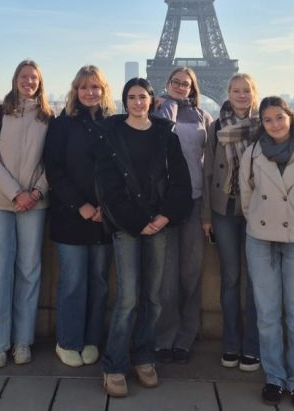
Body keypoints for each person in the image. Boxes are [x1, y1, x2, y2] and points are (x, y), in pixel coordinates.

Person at [96, 78, 192, 398]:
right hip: (127, 226)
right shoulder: (112, 133)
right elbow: (107, 187)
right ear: (125, 101)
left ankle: (144, 357)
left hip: (159, 224)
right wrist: (139, 222)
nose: (138, 102)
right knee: (127, 299)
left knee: (152, 297)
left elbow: (181, 181)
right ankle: (114, 364)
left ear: (152, 100)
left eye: (143, 97)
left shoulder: (166, 134)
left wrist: (162, 217)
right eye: (132, 97)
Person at [239, 96, 294, 409]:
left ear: (291, 118)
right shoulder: (253, 153)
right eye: (268, 120)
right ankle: (274, 377)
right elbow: (247, 195)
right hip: (262, 237)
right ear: (261, 123)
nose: (274, 124)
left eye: (279, 117)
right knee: (267, 314)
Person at [0, 59, 53, 368]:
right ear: (15, 79)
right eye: (24, 77)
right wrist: (16, 193)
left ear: (40, 82)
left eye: (34, 77)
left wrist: (35, 192)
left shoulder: (49, 118)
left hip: (34, 203)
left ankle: (22, 341)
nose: (29, 82)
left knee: (29, 271)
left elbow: (54, 162)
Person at [44, 65, 114, 368]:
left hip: (103, 217)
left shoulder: (113, 124)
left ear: (104, 91)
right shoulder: (61, 125)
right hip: (71, 215)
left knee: (98, 282)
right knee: (72, 282)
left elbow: (118, 171)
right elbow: (54, 170)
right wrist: (81, 206)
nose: (90, 92)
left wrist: (103, 207)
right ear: (75, 91)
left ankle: (91, 339)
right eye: (84, 87)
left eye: (95, 87)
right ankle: (68, 340)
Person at [153, 66, 213, 364]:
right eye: (175, 82)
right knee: (166, 277)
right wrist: (168, 106)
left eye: (185, 84)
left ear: (192, 87)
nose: (179, 87)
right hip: (165, 204)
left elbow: (212, 161)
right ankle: (165, 336)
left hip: (195, 200)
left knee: (191, 272)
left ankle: (186, 335)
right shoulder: (159, 111)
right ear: (167, 83)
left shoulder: (203, 116)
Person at [202, 73, 261, 372]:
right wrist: (205, 216)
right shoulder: (216, 127)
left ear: (254, 93)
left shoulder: (265, 125)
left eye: (246, 90)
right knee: (231, 279)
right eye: (236, 90)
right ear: (228, 92)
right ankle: (231, 342)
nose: (241, 95)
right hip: (224, 210)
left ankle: (252, 345)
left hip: (256, 212)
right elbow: (208, 173)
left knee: (255, 281)